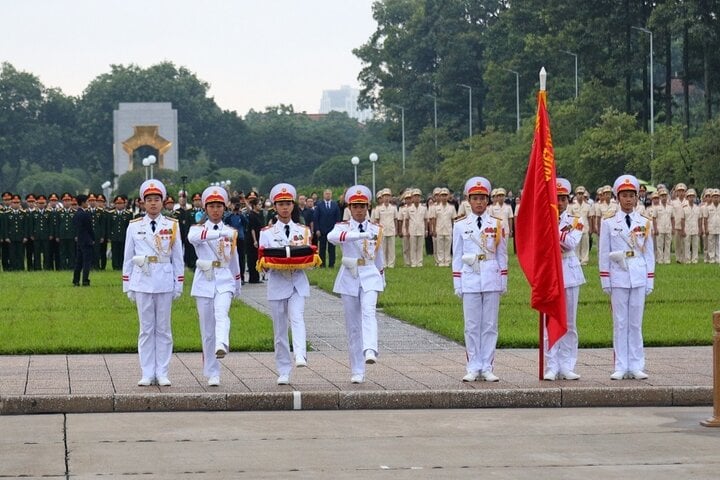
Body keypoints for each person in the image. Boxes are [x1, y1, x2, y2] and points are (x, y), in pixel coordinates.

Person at [123, 179, 185, 387]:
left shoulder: (172, 225)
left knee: (164, 329)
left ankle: (163, 371)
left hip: (164, 279)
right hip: (142, 280)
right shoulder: (134, 226)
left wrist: (179, 283)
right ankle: (147, 372)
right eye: (149, 200)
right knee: (146, 329)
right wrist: (127, 284)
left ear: (162, 202)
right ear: (142, 202)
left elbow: (178, 258)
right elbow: (128, 257)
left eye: (156, 200)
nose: (153, 203)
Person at [599, 174, 655, 380]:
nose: (629, 199)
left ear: (637, 198)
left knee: (635, 323)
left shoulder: (645, 222)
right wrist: (605, 279)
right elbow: (604, 253)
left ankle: (637, 364)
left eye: (632, 195)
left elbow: (649, 253)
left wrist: (650, 279)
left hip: (639, 273)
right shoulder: (609, 223)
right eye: (624, 195)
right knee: (620, 322)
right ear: (617, 197)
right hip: (619, 275)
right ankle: (621, 365)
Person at [327, 185, 385, 384]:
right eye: (355, 206)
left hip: (369, 273)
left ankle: (370, 349)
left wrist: (381, 279)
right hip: (350, 275)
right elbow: (331, 238)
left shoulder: (376, 229)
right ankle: (357, 370)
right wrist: (359, 235)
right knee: (353, 326)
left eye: (362, 206)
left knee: (369, 311)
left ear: (368, 206)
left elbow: (379, 258)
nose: (359, 210)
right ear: (349, 208)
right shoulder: (343, 227)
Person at [452, 176, 508, 383]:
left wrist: (503, 279)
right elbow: (456, 256)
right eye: (475, 198)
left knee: (490, 324)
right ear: (468, 200)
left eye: (483, 198)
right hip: (470, 277)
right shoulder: (460, 225)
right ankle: (473, 365)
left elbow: (502, 254)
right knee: (472, 325)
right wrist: (457, 282)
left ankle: (487, 366)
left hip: (491, 274)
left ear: (488, 200)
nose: (479, 202)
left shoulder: (497, 224)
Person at [258, 183, 313, 385]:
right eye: (281, 204)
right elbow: (262, 262)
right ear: (275, 206)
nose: (285, 207)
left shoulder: (303, 230)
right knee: (280, 331)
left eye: (288, 203)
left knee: (297, 317)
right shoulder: (267, 232)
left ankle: (300, 354)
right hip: (277, 283)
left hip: (297, 282)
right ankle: (283, 369)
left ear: (293, 205)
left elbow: (310, 258)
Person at [188, 186, 242, 387]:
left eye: (219, 206)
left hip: (224, 278)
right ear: (205, 208)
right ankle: (212, 372)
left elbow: (234, 259)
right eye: (212, 206)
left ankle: (222, 343)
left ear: (224, 207)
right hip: (204, 280)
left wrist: (237, 283)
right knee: (207, 330)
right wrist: (217, 235)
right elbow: (193, 238)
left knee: (222, 312)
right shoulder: (197, 229)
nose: (216, 210)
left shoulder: (231, 231)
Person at [543, 179, 585, 381]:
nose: (558, 202)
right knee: (549, 320)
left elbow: (570, 243)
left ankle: (567, 364)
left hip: (569, 271)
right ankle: (551, 365)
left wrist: (553, 229)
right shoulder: (541, 219)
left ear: (567, 200)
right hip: (549, 273)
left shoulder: (576, 220)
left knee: (569, 322)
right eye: (555, 198)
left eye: (562, 199)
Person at [371, 188, 399, 268]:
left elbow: (395, 220)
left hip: (391, 229)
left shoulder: (393, 208)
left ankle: (391, 264)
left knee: (391, 248)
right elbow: (377, 220)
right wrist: (377, 232)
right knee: (382, 248)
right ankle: (383, 263)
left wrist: (396, 230)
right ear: (382, 198)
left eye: (388, 196)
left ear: (390, 197)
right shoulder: (378, 208)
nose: (386, 198)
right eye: (384, 196)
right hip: (382, 231)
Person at [313, 189, 340, 267]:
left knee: (332, 249)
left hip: (332, 230)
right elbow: (316, 218)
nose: (328, 195)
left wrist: (337, 229)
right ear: (323, 195)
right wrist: (317, 229)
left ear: (331, 195)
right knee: (322, 248)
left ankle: (332, 264)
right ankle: (322, 264)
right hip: (322, 230)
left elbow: (338, 218)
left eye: (329, 194)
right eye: (326, 194)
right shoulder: (319, 205)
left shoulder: (335, 205)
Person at [72, 194, 95, 286]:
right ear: (83, 203)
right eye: (87, 202)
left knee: (78, 262)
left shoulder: (76, 214)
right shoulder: (85, 215)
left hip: (80, 240)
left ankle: (76, 280)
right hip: (87, 241)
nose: (88, 203)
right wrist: (93, 238)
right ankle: (85, 280)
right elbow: (90, 228)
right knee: (86, 262)